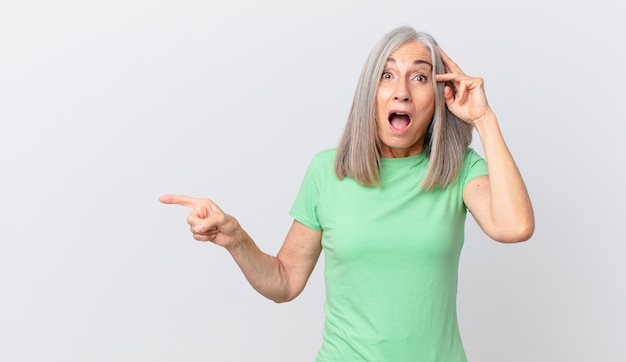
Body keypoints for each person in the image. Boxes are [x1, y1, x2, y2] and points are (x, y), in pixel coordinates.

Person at [160, 26, 534, 361]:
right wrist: (236, 240)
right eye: (387, 75)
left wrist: (484, 120)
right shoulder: (327, 171)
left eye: (419, 77)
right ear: (369, 92)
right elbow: (285, 282)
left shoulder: (459, 170)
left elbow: (514, 227)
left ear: (439, 97)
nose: (401, 92)